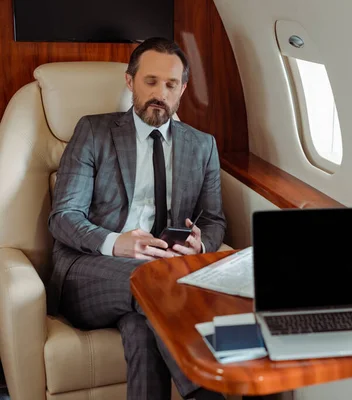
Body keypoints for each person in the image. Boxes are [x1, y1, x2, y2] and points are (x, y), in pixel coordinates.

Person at [47, 37, 228, 400]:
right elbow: (63, 217)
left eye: (171, 84)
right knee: (152, 281)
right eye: (151, 81)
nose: (160, 92)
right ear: (130, 81)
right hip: (90, 270)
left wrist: (201, 243)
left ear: (182, 91)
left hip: (157, 283)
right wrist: (118, 243)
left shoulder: (202, 145)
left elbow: (214, 220)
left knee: (144, 331)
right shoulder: (93, 132)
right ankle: (207, 394)